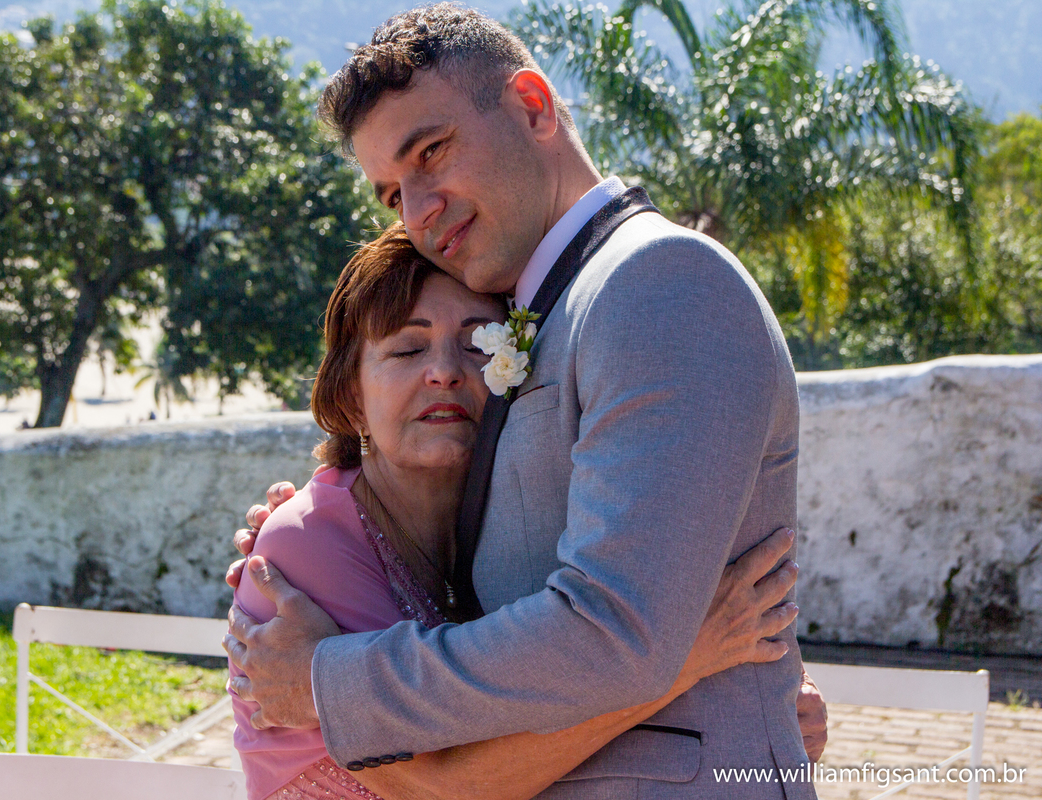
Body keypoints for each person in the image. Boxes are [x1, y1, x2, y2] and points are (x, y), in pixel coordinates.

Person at [225, 5, 827, 797]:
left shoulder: (656, 280)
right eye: (393, 194)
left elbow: (617, 632)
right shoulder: (549, 307)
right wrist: (324, 521)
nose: (418, 211)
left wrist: (327, 679)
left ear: (534, 106)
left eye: (431, 152)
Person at [229, 225, 802, 800]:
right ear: (351, 397)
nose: (445, 371)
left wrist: (771, 712)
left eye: (478, 343)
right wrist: (681, 658)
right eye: (407, 349)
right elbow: (446, 785)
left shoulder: (516, 516)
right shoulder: (303, 549)